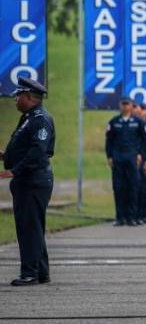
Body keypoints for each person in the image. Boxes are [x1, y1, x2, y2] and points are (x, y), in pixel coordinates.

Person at [1, 77, 55, 286]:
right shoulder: (29, 117)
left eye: (19, 97)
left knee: (29, 227)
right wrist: (6, 156)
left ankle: (29, 274)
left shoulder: (40, 118)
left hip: (33, 180)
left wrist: (14, 170)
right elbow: (25, 149)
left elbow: (37, 152)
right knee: (32, 227)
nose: (16, 100)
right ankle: (41, 272)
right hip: (28, 180)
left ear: (29, 97)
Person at [105, 98, 145, 226]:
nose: (125, 106)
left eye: (127, 104)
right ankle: (120, 217)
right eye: (123, 104)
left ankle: (131, 217)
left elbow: (145, 140)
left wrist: (140, 154)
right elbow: (109, 141)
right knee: (118, 187)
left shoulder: (138, 122)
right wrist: (110, 156)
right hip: (118, 158)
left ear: (131, 106)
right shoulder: (114, 122)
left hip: (132, 157)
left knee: (132, 187)